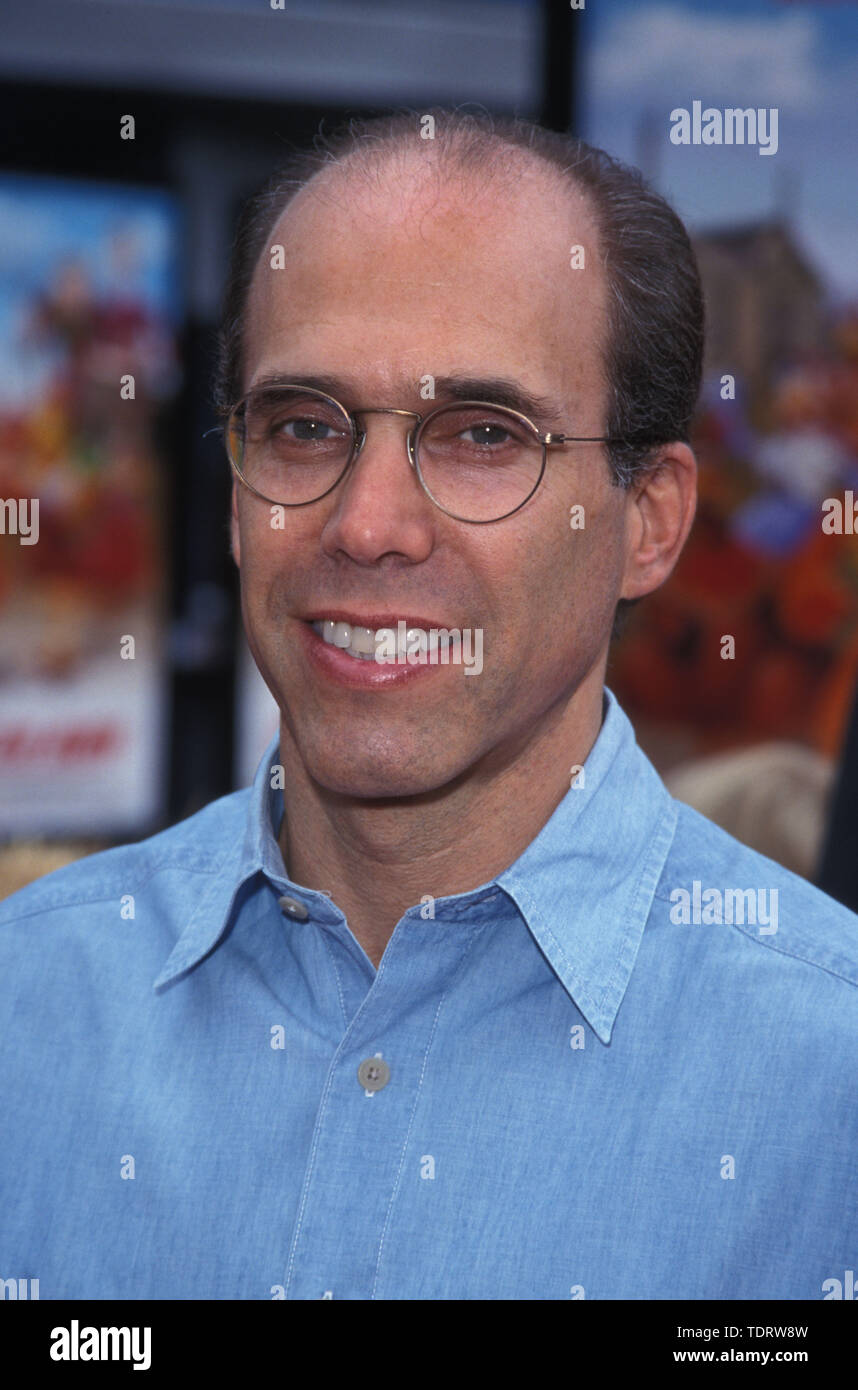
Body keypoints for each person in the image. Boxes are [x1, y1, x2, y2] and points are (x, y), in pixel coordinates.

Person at [1, 109, 856, 1302]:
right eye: (304, 427)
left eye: (480, 436)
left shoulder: (829, 1090)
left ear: (650, 519)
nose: (368, 526)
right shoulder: (27, 1007)